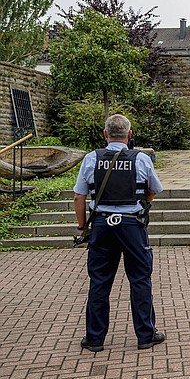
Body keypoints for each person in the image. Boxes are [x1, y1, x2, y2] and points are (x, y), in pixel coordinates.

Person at [73, 114, 165, 352]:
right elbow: (154, 189)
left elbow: (79, 196)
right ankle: (146, 335)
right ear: (129, 135)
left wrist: (83, 227)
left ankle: (94, 339)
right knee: (140, 279)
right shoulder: (141, 159)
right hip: (132, 226)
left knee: (100, 282)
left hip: (102, 226)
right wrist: (143, 204)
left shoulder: (92, 158)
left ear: (105, 134)